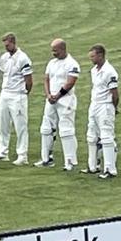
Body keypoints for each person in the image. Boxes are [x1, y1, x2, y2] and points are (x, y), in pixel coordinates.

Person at [35, 38, 80, 171]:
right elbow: (46, 79)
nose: (53, 53)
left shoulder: (72, 64)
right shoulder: (51, 63)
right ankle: (46, 158)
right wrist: (48, 94)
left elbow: (70, 82)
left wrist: (58, 95)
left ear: (63, 49)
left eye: (55, 50)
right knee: (46, 128)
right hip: (51, 100)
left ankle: (70, 161)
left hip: (66, 100)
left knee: (66, 130)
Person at [0, 34, 33, 165]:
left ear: (13, 42)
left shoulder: (23, 58)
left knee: (20, 126)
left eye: (7, 45)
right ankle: (3, 152)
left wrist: (24, 93)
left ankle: (22, 155)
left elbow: (29, 81)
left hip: (18, 95)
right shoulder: (4, 57)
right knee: (3, 124)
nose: (6, 48)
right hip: (5, 93)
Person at [82, 44, 118, 179]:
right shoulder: (93, 70)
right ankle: (93, 166)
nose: (91, 59)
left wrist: (114, 107)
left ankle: (110, 169)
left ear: (100, 55)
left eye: (93, 56)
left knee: (107, 137)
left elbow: (115, 93)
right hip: (94, 105)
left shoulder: (110, 72)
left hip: (105, 105)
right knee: (91, 135)